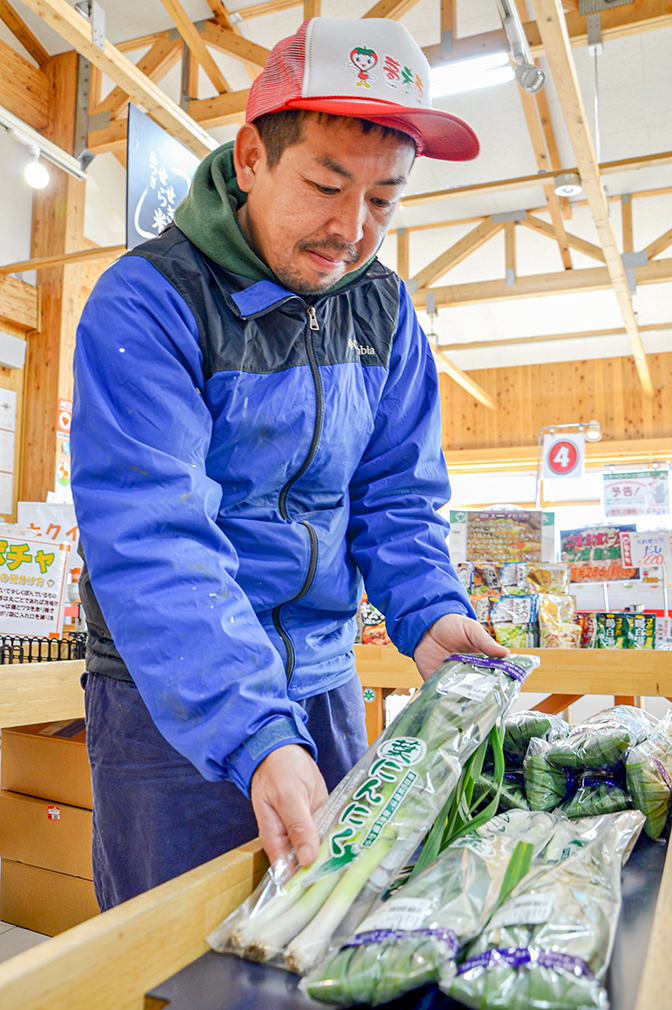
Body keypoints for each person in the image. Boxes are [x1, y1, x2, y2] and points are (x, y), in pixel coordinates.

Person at [71, 15, 506, 912]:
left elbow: (395, 496)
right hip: (171, 698)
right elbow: (157, 536)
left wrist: (429, 612)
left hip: (324, 682)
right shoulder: (149, 303)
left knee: (331, 933)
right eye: (326, 184)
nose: (351, 229)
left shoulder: (384, 312)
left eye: (384, 200)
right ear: (252, 158)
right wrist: (250, 727)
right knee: (179, 962)